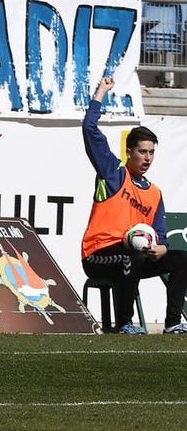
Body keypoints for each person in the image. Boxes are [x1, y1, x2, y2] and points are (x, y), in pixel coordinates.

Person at [79, 77, 187, 335]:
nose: (147, 158)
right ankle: (125, 323)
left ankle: (173, 323)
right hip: (98, 253)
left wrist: (161, 248)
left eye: (151, 152)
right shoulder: (114, 174)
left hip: (134, 257)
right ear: (129, 152)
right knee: (132, 257)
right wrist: (101, 93)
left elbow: (161, 235)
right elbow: (89, 130)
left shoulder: (154, 193)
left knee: (182, 259)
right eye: (142, 152)